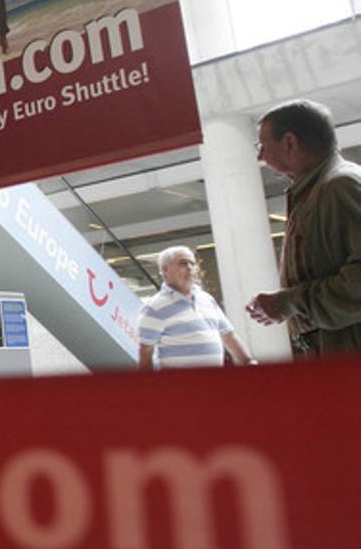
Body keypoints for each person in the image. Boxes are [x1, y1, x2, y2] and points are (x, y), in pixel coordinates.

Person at [247, 99, 361, 355]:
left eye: (262, 145)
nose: (259, 156)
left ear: (289, 141)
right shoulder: (318, 188)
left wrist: (288, 303)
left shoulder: (339, 186)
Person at [137, 246, 257, 370]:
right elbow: (145, 354)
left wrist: (249, 362)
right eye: (183, 263)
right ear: (165, 269)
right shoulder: (153, 308)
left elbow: (228, 336)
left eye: (192, 263)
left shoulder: (207, 299)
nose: (190, 267)